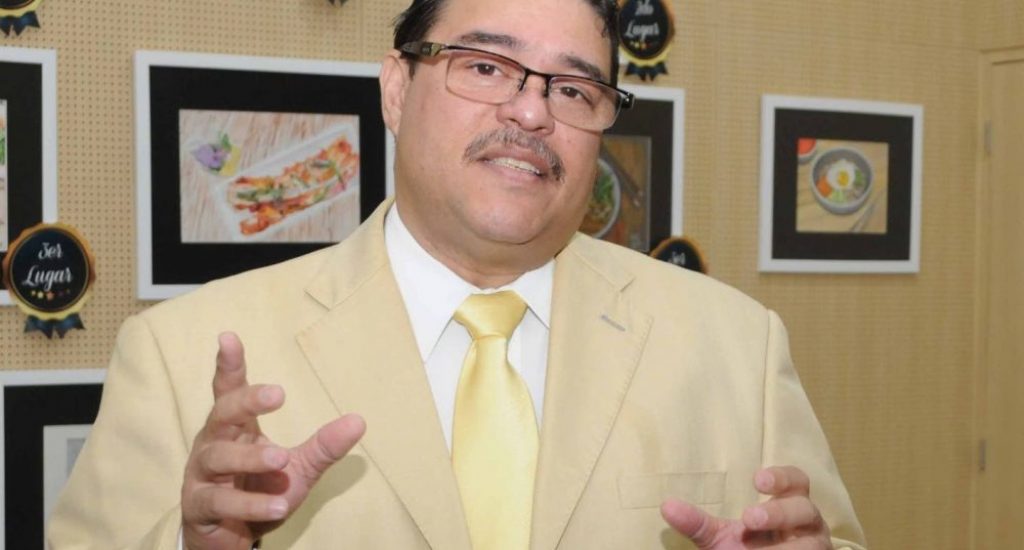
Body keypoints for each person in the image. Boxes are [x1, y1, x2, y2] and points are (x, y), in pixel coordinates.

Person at [48, 0, 867, 548]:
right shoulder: (180, 353)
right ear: (397, 89)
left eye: (575, 88)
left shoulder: (737, 345)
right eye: (484, 66)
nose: (531, 111)